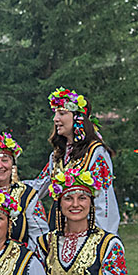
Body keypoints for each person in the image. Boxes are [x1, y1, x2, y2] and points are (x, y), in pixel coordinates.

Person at [32, 88, 119, 235]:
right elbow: (39, 185)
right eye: (55, 114)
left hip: (86, 229)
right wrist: (8, 188)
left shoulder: (95, 152)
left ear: (78, 118)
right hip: (60, 228)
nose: (55, 119)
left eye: (62, 113)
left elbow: (104, 199)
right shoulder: (58, 155)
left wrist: (103, 238)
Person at [0, 134, 49, 251]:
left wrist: (28, 259)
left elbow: (39, 235)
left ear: (12, 165)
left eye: (5, 160)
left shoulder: (27, 195)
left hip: (18, 258)